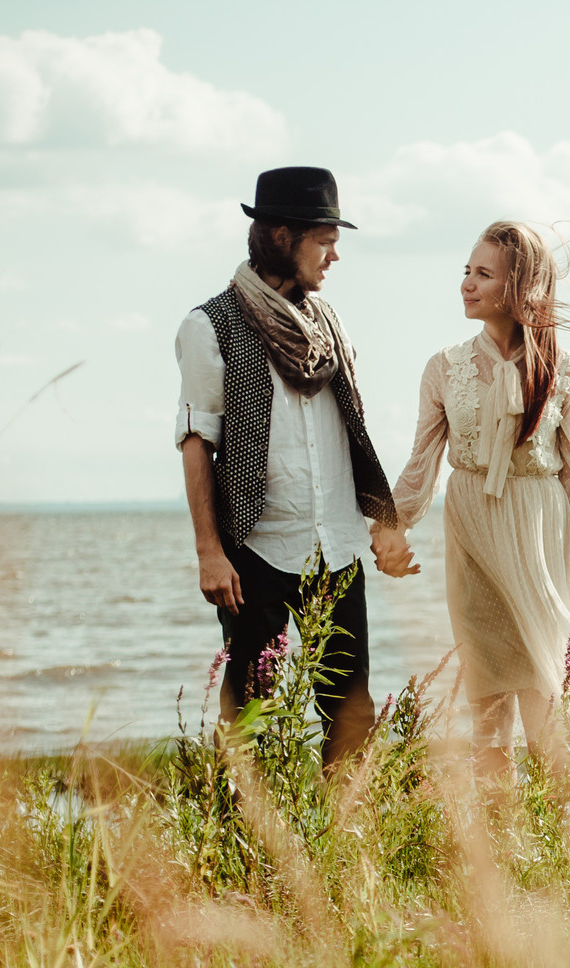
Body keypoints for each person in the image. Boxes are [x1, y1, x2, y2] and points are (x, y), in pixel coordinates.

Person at [175, 165, 419, 766]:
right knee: (248, 722)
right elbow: (195, 442)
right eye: (324, 240)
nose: (334, 255)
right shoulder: (210, 325)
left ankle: (340, 851)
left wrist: (384, 523)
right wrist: (209, 550)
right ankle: (245, 853)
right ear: (282, 235)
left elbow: (353, 433)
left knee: (351, 716)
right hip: (255, 551)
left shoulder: (330, 324)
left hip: (336, 547)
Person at [391, 221, 570, 767]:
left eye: (483, 274)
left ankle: (560, 821)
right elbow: (421, 463)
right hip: (471, 526)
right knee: (486, 680)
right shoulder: (443, 367)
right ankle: (498, 827)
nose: (466, 284)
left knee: (547, 675)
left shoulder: (565, 369)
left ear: (520, 287)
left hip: (541, 533)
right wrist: (393, 527)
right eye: (466, 271)